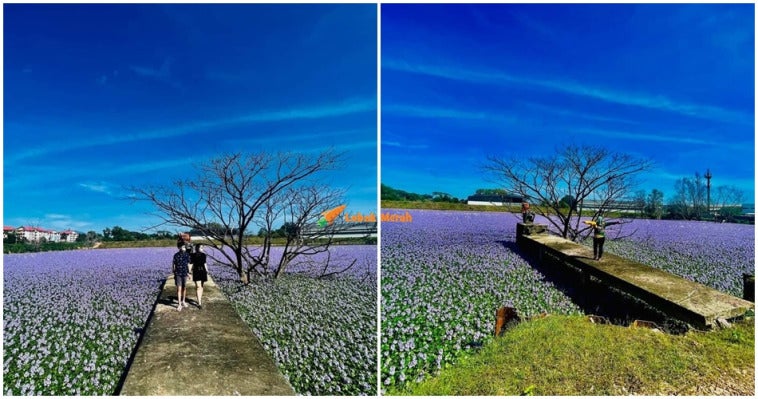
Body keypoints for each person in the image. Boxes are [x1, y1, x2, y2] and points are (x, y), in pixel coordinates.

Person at [172, 243, 190, 311]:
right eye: (183, 247)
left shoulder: (187, 254)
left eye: (184, 247)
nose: (184, 248)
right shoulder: (176, 255)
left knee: (184, 288)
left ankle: (183, 301)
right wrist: (174, 272)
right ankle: (179, 304)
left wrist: (189, 273)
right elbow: (173, 264)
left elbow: (188, 264)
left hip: (185, 273)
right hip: (178, 274)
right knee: (179, 289)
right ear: (179, 247)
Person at [190, 243, 208, 309]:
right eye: (201, 248)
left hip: (203, 271)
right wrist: (189, 272)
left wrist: (207, 270)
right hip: (196, 271)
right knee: (198, 286)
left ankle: (200, 299)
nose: (202, 249)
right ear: (197, 248)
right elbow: (191, 263)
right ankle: (199, 303)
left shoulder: (204, 255)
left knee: (201, 286)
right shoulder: (193, 255)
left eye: (203, 248)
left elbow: (205, 263)